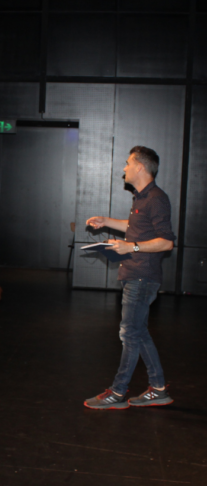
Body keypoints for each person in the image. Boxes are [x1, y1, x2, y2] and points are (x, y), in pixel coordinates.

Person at [84, 146, 176, 410]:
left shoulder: (157, 198)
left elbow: (167, 242)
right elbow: (134, 226)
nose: (123, 168)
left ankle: (118, 391)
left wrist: (131, 247)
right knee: (138, 332)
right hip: (135, 274)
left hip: (142, 277)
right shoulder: (142, 198)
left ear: (140, 167)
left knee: (129, 334)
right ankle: (158, 388)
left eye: (127, 163)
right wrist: (106, 221)